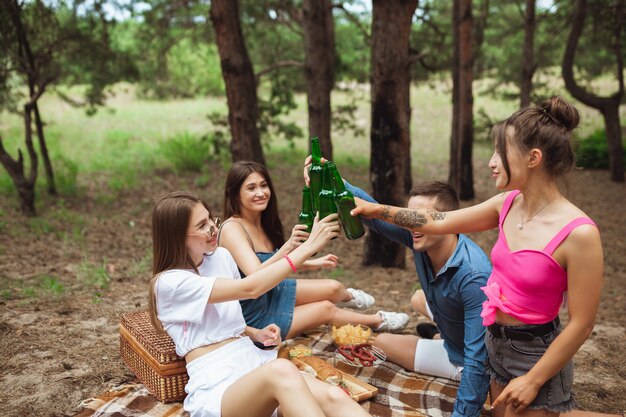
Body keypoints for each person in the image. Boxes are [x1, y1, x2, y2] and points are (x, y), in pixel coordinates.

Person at [351, 96, 604, 417]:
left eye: (501, 151)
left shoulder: (579, 233)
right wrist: (369, 205)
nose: (492, 161)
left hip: (535, 354)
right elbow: (435, 221)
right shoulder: (507, 203)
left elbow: (582, 324)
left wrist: (534, 379)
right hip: (495, 343)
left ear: (533, 158)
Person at [148, 191, 373, 417]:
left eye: (210, 220)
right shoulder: (170, 283)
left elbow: (225, 312)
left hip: (252, 362)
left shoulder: (220, 257)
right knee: (281, 370)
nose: (214, 228)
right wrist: (306, 248)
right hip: (218, 384)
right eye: (202, 226)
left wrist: (254, 333)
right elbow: (251, 288)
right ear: (177, 236)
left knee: (334, 395)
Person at [303, 161, 493, 417]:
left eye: (419, 218)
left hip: (471, 361)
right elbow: (373, 215)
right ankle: (438, 335)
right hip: (451, 344)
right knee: (381, 342)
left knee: (479, 381)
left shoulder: (473, 274)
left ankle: (439, 337)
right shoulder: (421, 238)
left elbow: (477, 362)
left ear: (446, 222)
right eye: (408, 216)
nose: (411, 225)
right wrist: (331, 177)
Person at [218, 161, 409, 340]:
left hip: (271, 291)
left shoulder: (262, 221)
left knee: (333, 287)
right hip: (253, 315)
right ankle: (378, 321)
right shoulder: (232, 229)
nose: (260, 193)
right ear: (234, 194)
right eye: (251, 188)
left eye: (264, 185)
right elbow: (255, 276)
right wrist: (290, 247)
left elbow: (270, 263)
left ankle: (347, 296)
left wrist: (311, 264)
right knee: (326, 308)